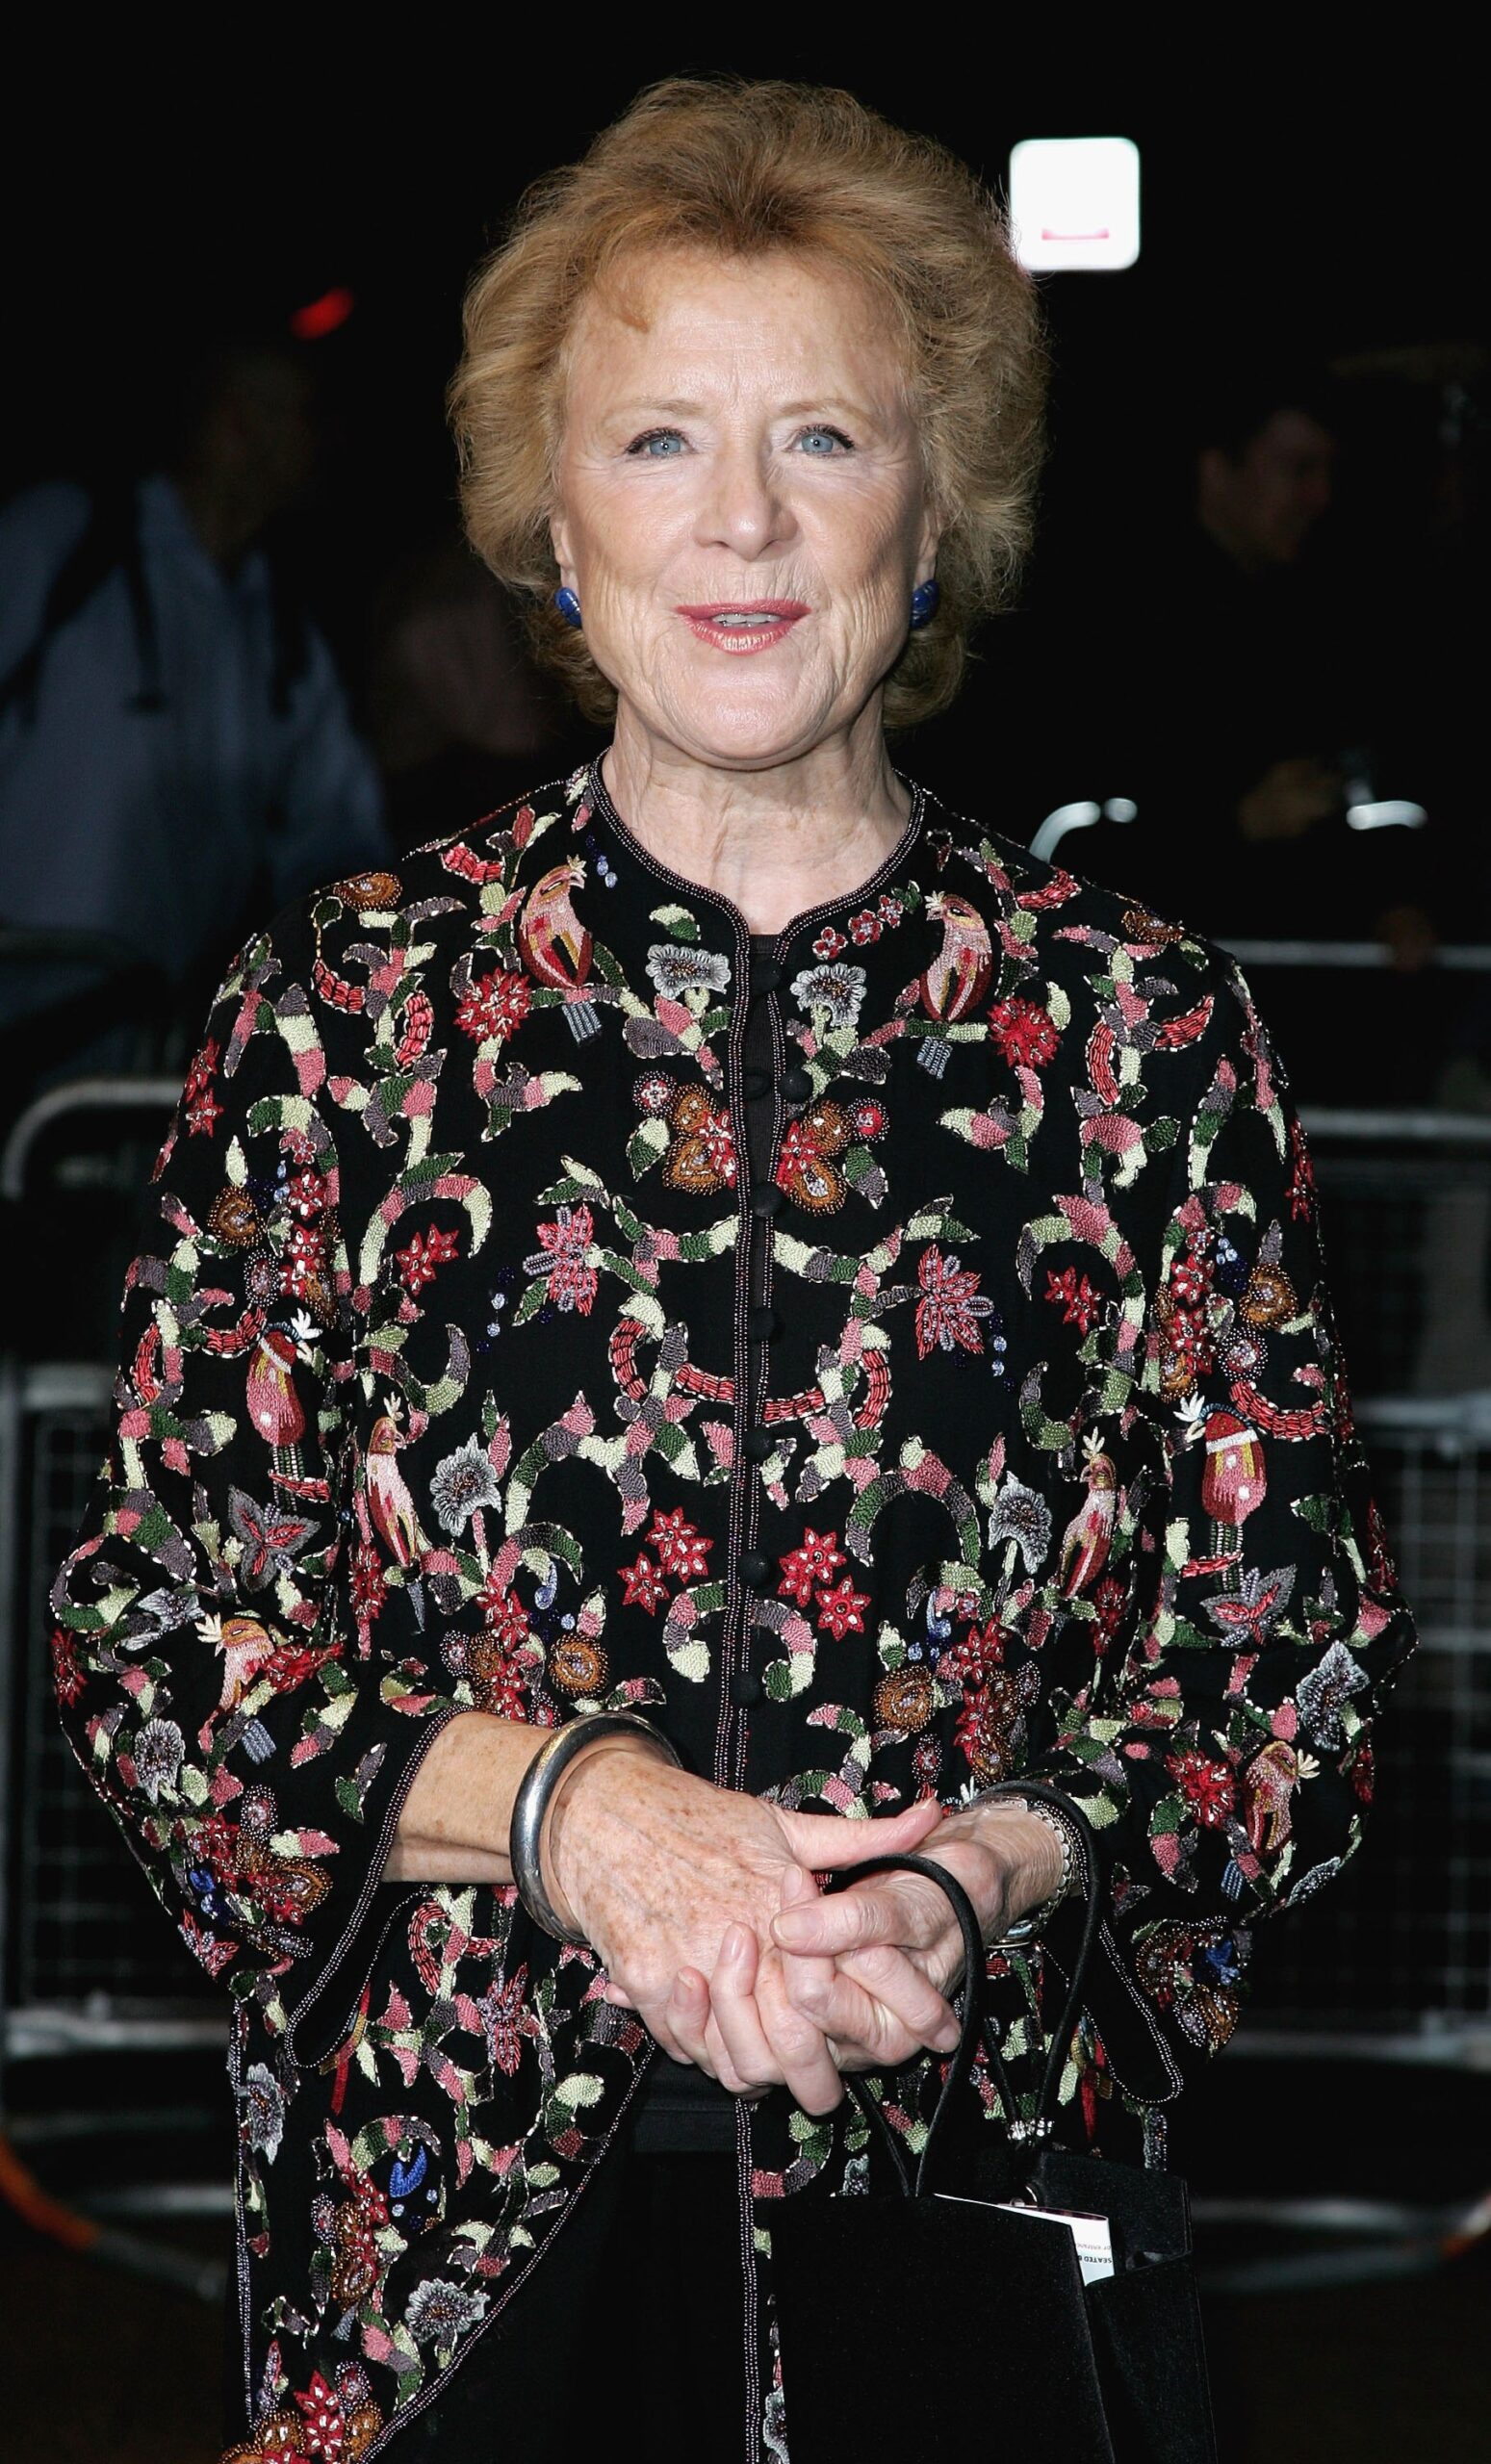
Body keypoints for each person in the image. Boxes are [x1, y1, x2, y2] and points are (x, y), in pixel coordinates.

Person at [53, 81, 1416, 2462]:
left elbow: (1283, 1659)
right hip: (451, 2234)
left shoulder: (1137, 1029)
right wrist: (581, 1812)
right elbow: (160, 1643)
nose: (746, 521)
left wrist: (995, 1869)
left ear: (939, 509)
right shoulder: (342, 1017)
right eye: (662, 437)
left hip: (975, 2204)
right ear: (552, 518)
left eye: (823, 433)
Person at [0, 335, 389, 1054]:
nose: (297, 439)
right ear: (215, 417)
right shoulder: (58, 543)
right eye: (252, 408)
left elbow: (337, 838)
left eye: (298, 414)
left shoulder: (284, 633)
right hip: (16, 996)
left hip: (148, 1043)